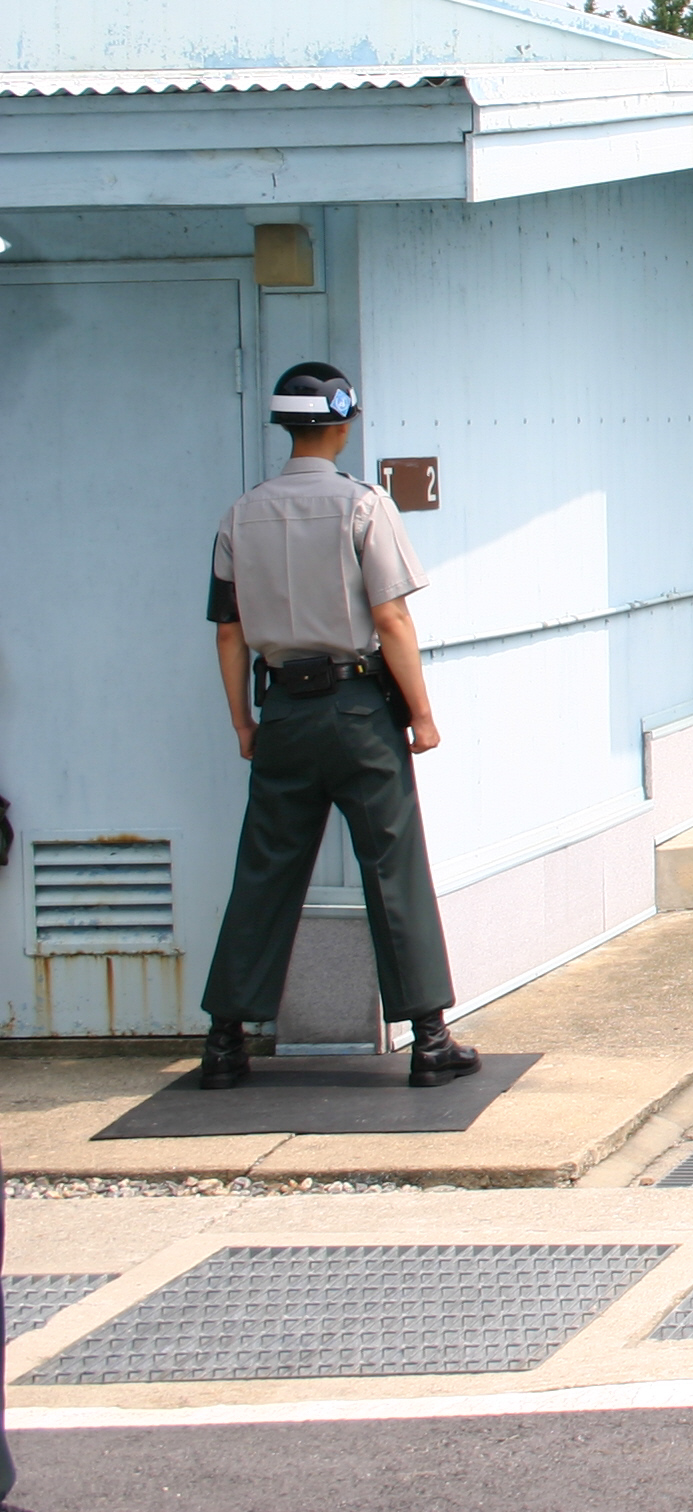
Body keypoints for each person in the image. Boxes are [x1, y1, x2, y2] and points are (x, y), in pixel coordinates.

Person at [200, 364, 479, 1091]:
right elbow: (390, 617)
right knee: (392, 865)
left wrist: (243, 723)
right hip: (358, 710)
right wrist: (420, 714)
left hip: (283, 712)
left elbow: (229, 635)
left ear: (283, 428)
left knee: (265, 869)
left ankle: (226, 1042)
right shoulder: (364, 507)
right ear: (342, 421)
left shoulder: (240, 514)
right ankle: (428, 1041)